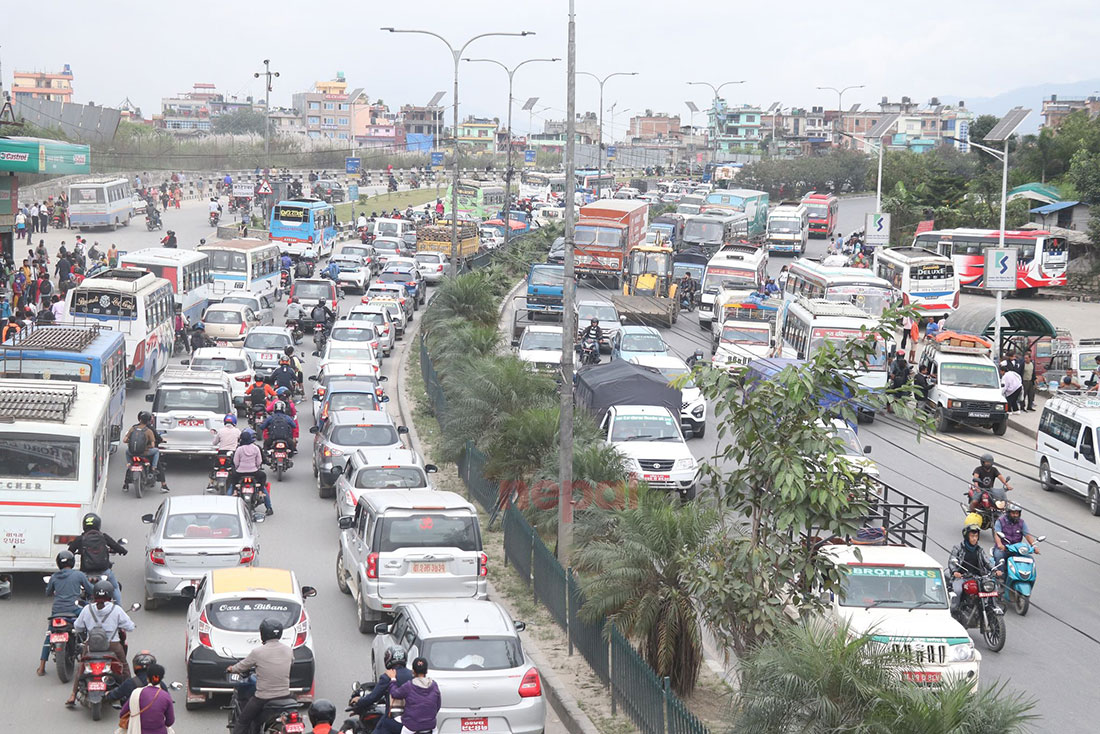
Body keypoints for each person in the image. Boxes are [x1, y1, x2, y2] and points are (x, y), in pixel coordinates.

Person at [66, 580, 136, 706]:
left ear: (94, 595)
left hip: (90, 647)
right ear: (110, 595)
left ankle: (73, 695)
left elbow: (77, 627)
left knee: (81, 667)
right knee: (124, 667)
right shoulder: (116, 609)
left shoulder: (87, 609)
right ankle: (130, 696)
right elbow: (130, 627)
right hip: (113, 645)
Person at [226, 618, 293, 734]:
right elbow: (291, 662)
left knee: (243, 721)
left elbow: (241, 666)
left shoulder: (257, 652)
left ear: (263, 633)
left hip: (263, 698)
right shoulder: (288, 650)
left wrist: (231, 669)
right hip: (286, 696)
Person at [38, 550, 93, 676]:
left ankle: (41, 667)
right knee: (90, 624)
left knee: (49, 635)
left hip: (57, 612)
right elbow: (90, 589)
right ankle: (90, 655)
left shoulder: (54, 577)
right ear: (72, 562)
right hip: (75, 610)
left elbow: (48, 592)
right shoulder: (79, 575)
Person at [351, 646, 413, 734]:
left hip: (393, 722)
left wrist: (359, 702)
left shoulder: (387, 676)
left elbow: (373, 697)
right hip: (413, 722)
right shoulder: (412, 675)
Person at [67, 512, 127, 603]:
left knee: (76, 591)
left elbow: (69, 552)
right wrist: (123, 551)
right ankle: (119, 610)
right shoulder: (103, 537)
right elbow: (116, 546)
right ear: (98, 524)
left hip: (85, 573)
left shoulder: (80, 539)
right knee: (115, 587)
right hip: (104, 571)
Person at [948, 524, 1002, 615]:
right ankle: (953, 612)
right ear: (967, 536)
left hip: (977, 577)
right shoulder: (958, 548)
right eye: (972, 536)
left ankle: (992, 605)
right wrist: (955, 571)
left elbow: (987, 561)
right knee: (958, 591)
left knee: (993, 586)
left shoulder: (979, 550)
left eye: (976, 536)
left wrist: (995, 570)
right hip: (962, 577)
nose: (974, 538)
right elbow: (952, 561)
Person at [386, 657, 441, 734]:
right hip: (431, 726)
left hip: (411, 727)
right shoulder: (434, 685)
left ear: (413, 672)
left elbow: (394, 694)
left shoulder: (409, 686)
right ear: (426, 671)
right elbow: (438, 705)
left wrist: (393, 679)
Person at [118, 662, 175, 734]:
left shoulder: (136, 693)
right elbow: (170, 722)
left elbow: (122, 714)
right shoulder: (166, 696)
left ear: (148, 678)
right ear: (161, 678)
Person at [123, 412, 168, 492]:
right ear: (149, 420)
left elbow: (124, 440)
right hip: (145, 453)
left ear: (139, 419)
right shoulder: (149, 430)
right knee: (157, 454)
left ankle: (125, 485)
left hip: (133, 452)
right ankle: (163, 484)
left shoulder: (133, 428)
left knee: (130, 463)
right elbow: (154, 444)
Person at [232, 429, 272, 514]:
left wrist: (238, 468)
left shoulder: (239, 449)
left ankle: (235, 491)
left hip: (240, 472)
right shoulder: (256, 448)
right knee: (263, 477)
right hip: (254, 472)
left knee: (233, 480)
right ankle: (268, 507)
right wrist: (256, 468)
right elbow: (259, 461)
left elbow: (236, 462)